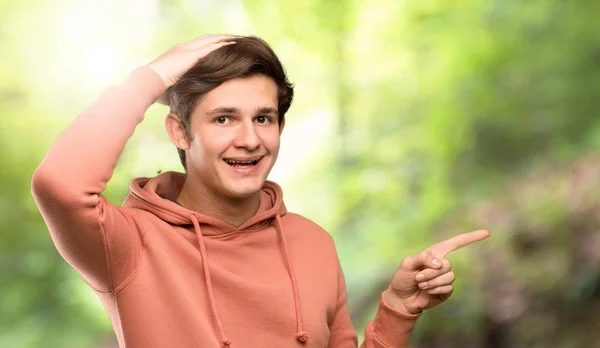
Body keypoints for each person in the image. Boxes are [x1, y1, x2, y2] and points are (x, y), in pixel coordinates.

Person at [31, 34, 489, 348]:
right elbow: (60, 185)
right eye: (223, 118)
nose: (249, 139)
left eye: (263, 118)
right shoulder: (128, 244)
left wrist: (398, 309)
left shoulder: (313, 243)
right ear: (180, 132)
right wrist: (152, 76)